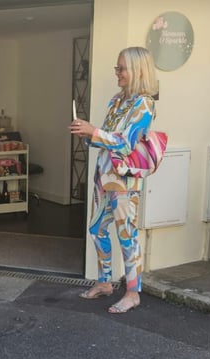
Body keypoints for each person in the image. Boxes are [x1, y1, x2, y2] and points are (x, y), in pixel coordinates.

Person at [69, 46, 158, 314]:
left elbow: (125, 143)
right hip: (104, 178)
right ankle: (105, 283)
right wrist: (86, 133)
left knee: (126, 235)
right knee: (96, 230)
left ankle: (132, 293)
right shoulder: (116, 100)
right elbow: (106, 139)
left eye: (122, 68)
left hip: (124, 182)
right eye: (116, 68)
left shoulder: (145, 104)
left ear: (138, 71)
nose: (117, 73)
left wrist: (94, 131)